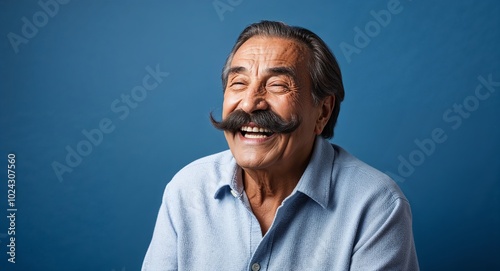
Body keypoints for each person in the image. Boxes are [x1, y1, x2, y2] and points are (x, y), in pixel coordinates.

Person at [142, 20, 419, 271]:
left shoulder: (376, 205)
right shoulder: (187, 189)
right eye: (238, 83)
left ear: (322, 112)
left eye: (277, 85)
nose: (250, 103)